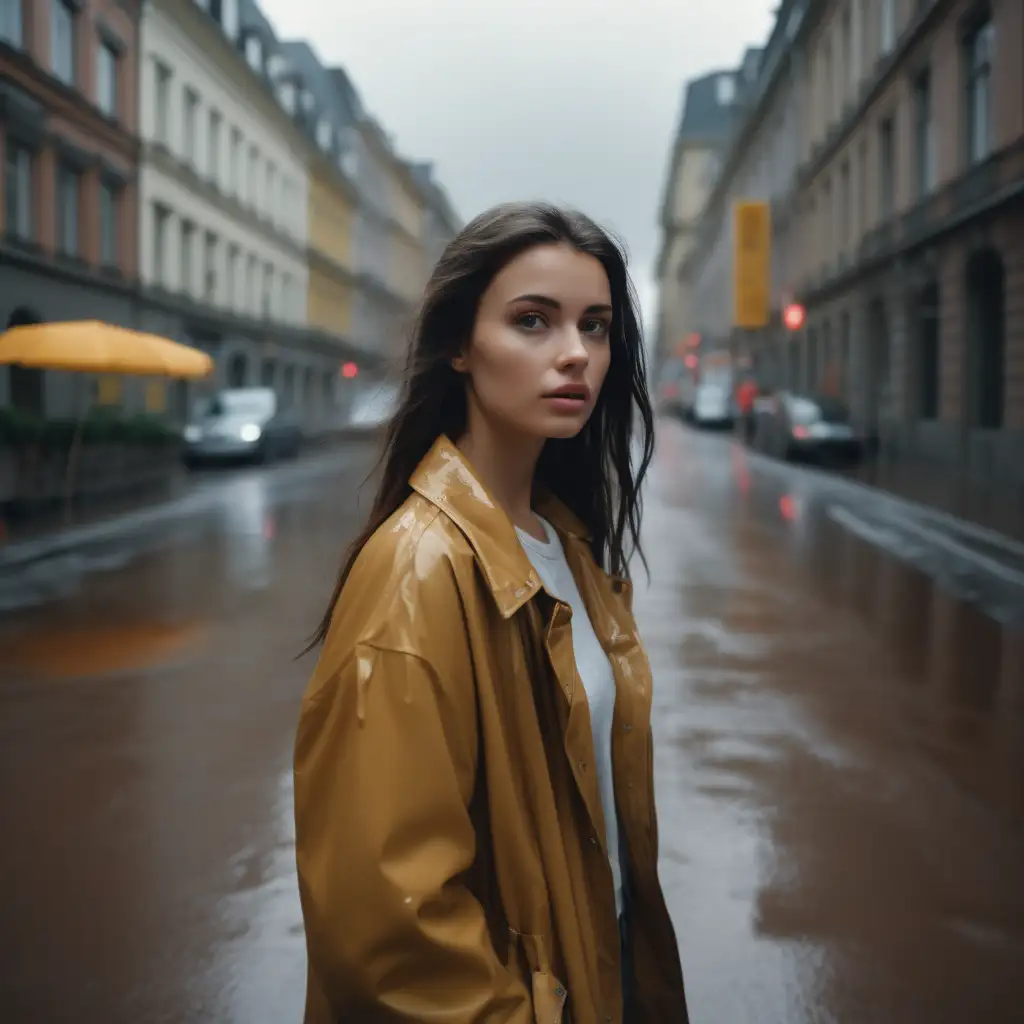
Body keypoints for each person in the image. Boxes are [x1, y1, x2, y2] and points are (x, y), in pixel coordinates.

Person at [293, 202, 689, 1024]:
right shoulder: (417, 570)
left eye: (597, 325)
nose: (576, 353)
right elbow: (391, 933)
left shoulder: (566, 545)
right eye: (533, 322)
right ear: (459, 348)